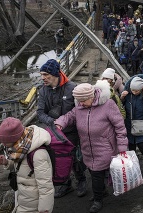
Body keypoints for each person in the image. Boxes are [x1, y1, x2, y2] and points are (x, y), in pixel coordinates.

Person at [55, 82, 128, 213]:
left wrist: (122, 146)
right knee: (93, 170)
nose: (80, 103)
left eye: (83, 100)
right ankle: (102, 191)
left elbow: (120, 127)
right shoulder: (79, 106)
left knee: (96, 174)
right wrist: (60, 123)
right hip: (87, 148)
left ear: (92, 96)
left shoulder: (108, 105)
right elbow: (69, 116)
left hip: (105, 147)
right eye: (79, 101)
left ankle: (98, 200)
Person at [37, 59, 87, 198]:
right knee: (58, 158)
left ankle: (81, 180)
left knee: (73, 156)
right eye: (41, 74)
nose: (43, 78)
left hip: (71, 130)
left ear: (55, 73)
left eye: (46, 74)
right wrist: (52, 121)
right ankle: (66, 183)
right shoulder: (43, 91)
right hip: (53, 131)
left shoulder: (72, 88)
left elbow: (80, 110)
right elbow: (40, 112)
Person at [0, 117, 54, 213]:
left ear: (14, 138)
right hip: (23, 199)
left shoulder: (38, 155)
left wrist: (44, 209)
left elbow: (46, 187)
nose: (3, 144)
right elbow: (21, 166)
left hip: (34, 205)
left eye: (5, 141)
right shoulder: (20, 147)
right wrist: (6, 162)